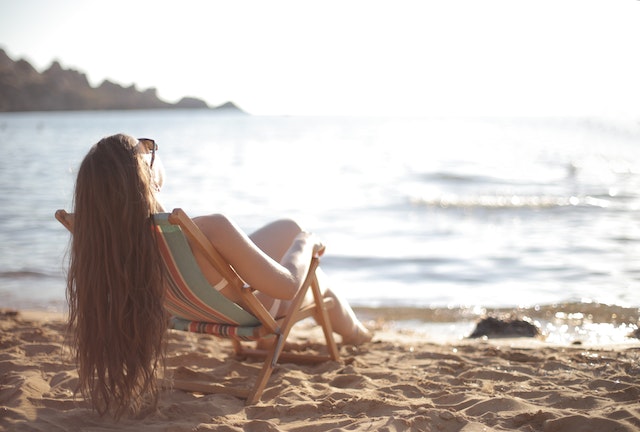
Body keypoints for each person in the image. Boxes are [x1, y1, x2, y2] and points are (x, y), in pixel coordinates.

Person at [66, 133, 371, 417]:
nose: (153, 152)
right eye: (147, 150)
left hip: (202, 307)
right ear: (146, 177)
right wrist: (306, 242)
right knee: (317, 280)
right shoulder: (209, 228)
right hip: (254, 311)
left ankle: (341, 330)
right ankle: (358, 334)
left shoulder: (113, 243)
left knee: (286, 228)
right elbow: (288, 286)